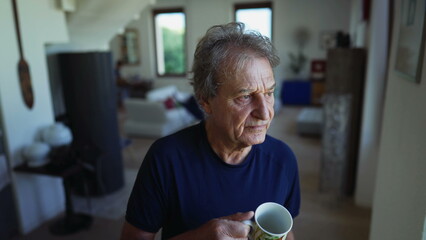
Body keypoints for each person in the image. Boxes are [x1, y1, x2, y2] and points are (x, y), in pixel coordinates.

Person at [120, 22, 300, 240]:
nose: (265, 113)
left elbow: (287, 232)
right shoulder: (165, 158)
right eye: (245, 96)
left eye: (269, 92)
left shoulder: (283, 159)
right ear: (205, 101)